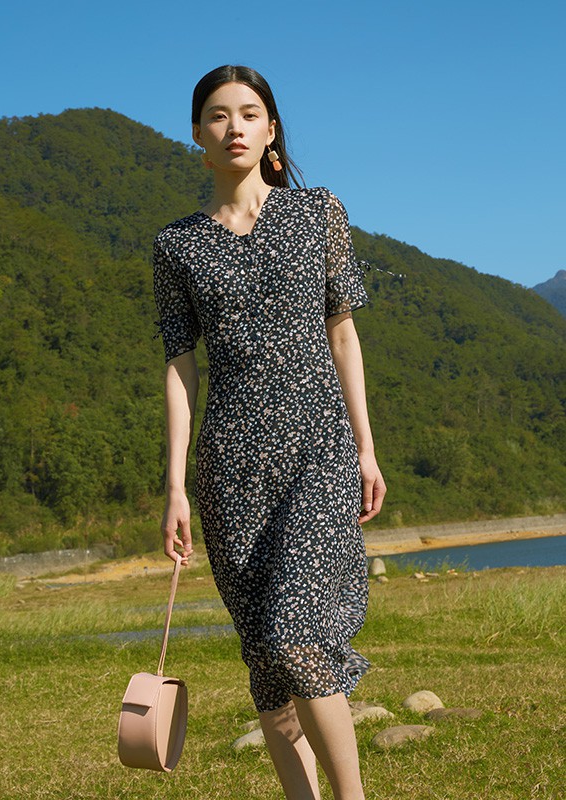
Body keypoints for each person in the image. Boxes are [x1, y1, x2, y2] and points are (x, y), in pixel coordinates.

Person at [153, 64, 387, 800]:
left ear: (272, 129)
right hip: (231, 467)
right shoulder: (176, 245)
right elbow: (180, 367)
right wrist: (175, 486)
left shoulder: (318, 212)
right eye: (218, 115)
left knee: (297, 634)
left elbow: (343, 335)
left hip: (320, 450)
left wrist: (365, 448)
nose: (235, 127)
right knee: (267, 657)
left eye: (249, 113)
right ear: (197, 134)